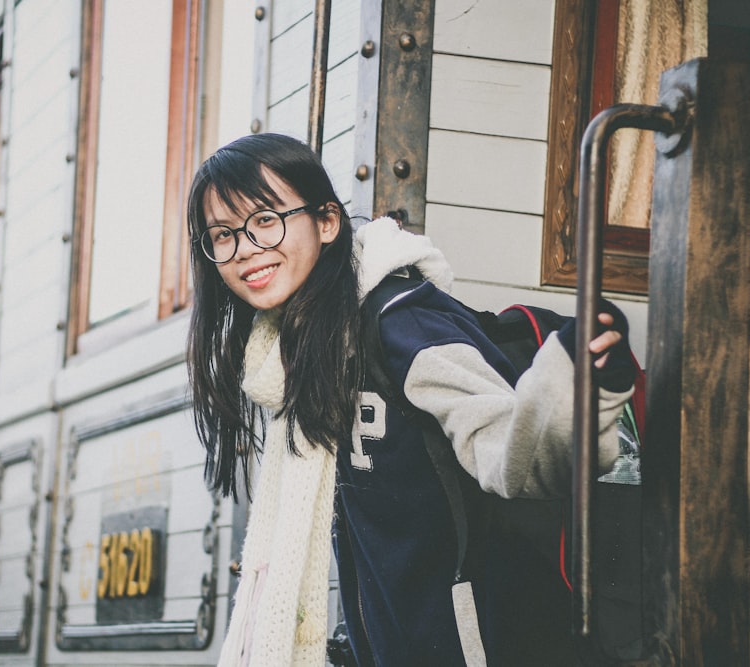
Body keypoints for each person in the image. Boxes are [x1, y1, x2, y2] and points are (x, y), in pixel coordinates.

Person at [186, 133, 635, 667]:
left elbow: (515, 461)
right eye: (223, 234)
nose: (246, 250)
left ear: (327, 222)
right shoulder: (295, 354)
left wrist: (575, 382)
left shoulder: (403, 326)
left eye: (265, 221)